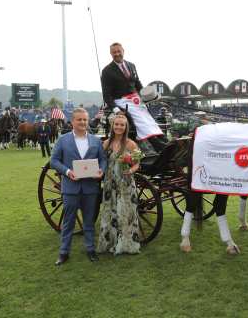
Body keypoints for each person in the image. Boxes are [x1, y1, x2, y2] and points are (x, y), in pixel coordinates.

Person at [50, 108, 107, 266]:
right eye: (79, 120)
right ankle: (64, 252)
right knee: (68, 222)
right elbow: (54, 161)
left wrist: (101, 171)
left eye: (85, 120)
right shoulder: (63, 140)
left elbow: (103, 160)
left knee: (89, 221)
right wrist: (68, 172)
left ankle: (90, 250)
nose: (82, 122)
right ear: (73, 122)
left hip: (90, 188)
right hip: (71, 188)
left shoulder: (95, 141)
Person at [100, 42, 167, 152]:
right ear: (111, 54)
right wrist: (116, 110)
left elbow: (137, 84)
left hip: (136, 100)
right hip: (122, 101)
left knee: (149, 119)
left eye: (118, 51)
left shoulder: (131, 65)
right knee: (140, 120)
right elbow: (106, 95)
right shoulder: (107, 71)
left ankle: (164, 141)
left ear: (123, 51)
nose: (117, 54)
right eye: (114, 52)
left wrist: (148, 97)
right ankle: (158, 146)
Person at [97, 112, 144, 255]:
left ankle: (126, 244)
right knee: (110, 212)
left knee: (126, 213)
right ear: (112, 126)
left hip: (125, 184)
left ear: (125, 127)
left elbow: (137, 164)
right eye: (116, 124)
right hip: (110, 183)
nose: (119, 127)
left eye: (122, 125)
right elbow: (101, 162)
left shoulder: (131, 144)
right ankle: (110, 242)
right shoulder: (106, 143)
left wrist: (131, 169)